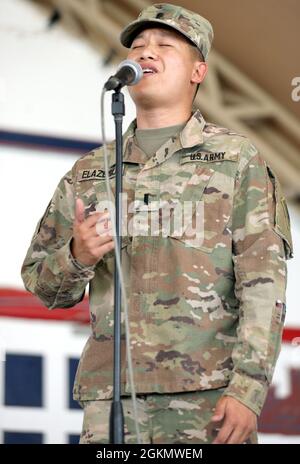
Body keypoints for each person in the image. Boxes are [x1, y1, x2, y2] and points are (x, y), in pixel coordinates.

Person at [21, 3, 293, 444]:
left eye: (165, 45)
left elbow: (263, 285)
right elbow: (41, 283)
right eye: (138, 46)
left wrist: (248, 390)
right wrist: (78, 256)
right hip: (110, 402)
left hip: (207, 397)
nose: (146, 53)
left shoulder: (236, 161)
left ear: (198, 71)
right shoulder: (90, 172)